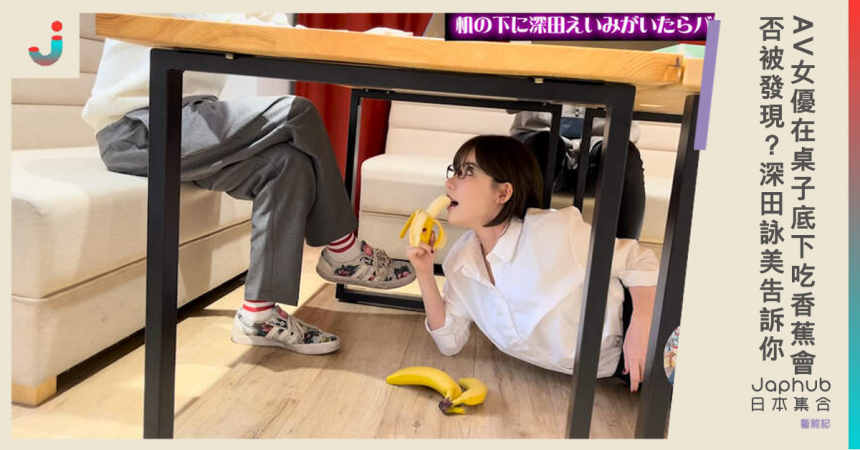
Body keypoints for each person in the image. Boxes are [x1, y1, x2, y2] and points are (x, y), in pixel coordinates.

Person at [82, 13, 416, 356]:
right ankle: (344, 251)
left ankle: (259, 316)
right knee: (297, 113)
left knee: (288, 164)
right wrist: (349, 42)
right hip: (134, 129)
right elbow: (231, 26)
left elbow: (275, 30)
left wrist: (360, 42)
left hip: (187, 119)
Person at [405, 135, 659, 392]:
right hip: (602, 375)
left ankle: (594, 153)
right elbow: (449, 342)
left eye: (467, 172)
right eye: (454, 171)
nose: (449, 182)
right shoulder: (461, 262)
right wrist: (424, 272)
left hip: (641, 344)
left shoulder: (555, 231)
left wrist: (642, 323)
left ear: (503, 193)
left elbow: (639, 261)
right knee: (541, 141)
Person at [509, 108, 646, 240]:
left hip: (604, 143)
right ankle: (521, 245)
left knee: (624, 156)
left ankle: (625, 252)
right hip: (539, 136)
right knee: (544, 144)